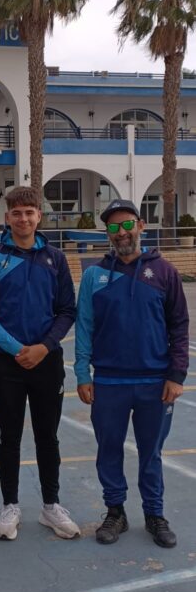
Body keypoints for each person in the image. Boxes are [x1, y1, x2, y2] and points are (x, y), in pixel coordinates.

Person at [75, 198, 189, 548]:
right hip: (109, 382)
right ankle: (115, 512)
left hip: (155, 383)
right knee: (108, 449)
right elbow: (84, 326)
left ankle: (155, 514)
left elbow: (179, 326)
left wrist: (177, 375)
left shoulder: (164, 272)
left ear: (141, 225)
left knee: (151, 452)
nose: (121, 232)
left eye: (127, 224)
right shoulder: (94, 275)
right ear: (107, 233)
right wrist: (82, 374)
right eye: (113, 226)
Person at [0, 185, 79, 541]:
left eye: (29, 212)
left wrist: (44, 347)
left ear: (39, 216)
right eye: (16, 213)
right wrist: (19, 349)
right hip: (8, 364)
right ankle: (11, 505)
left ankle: (51, 505)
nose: (23, 219)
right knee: (9, 437)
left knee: (48, 436)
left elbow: (67, 311)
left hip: (47, 361)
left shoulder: (55, 258)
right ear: (7, 217)